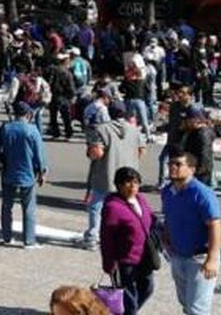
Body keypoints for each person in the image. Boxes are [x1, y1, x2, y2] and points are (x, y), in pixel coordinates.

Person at [161, 149, 221, 315]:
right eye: (170, 164)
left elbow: (215, 225)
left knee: (197, 309)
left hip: (199, 258)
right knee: (186, 305)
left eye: (178, 164)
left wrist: (212, 259)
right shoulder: (168, 191)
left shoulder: (202, 194)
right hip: (178, 255)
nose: (172, 167)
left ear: (191, 169)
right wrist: (166, 240)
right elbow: (168, 217)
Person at [82, 100, 142, 250]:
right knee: (126, 207)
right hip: (128, 175)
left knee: (96, 206)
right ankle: (125, 236)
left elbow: (97, 152)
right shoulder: (134, 130)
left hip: (106, 173)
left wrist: (90, 151)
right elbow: (142, 150)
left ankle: (92, 237)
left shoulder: (102, 129)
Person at [0, 101, 48, 248]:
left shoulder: (5, 128)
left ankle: (7, 237)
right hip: (28, 173)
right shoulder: (32, 130)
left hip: (8, 171)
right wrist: (42, 172)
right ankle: (29, 240)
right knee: (28, 207)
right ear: (28, 114)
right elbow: (39, 155)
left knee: (6, 206)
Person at [100, 167, 155, 315]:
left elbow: (151, 217)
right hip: (125, 259)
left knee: (147, 288)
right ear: (119, 185)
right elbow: (106, 237)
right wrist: (108, 263)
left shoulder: (141, 199)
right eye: (128, 183)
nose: (133, 187)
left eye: (136, 183)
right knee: (128, 295)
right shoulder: (113, 207)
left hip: (145, 256)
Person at [180, 107, 215, 187]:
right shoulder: (192, 131)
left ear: (196, 119)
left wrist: (199, 170)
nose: (186, 122)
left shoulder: (202, 133)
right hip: (192, 167)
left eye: (188, 119)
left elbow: (204, 153)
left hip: (199, 172)